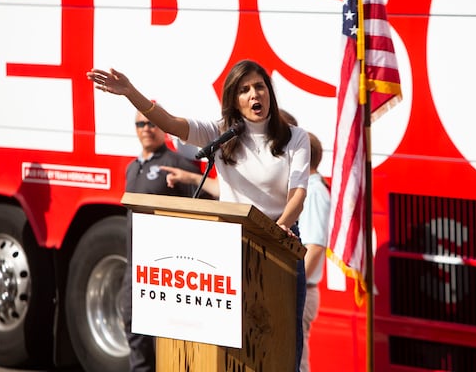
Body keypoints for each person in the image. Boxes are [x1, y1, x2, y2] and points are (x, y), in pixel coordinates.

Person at [88, 59, 310, 371]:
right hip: (230, 248)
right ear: (234, 99)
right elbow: (169, 123)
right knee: (232, 348)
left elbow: (298, 192)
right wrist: (130, 92)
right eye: (244, 90)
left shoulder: (295, 138)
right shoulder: (220, 134)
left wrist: (281, 226)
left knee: (281, 343)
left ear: (269, 92)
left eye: (259, 86)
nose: (254, 94)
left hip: (280, 248)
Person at [121, 110, 202, 372]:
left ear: (163, 129)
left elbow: (200, 213)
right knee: (134, 328)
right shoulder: (132, 168)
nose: (146, 128)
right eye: (140, 124)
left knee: (173, 344)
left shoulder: (178, 164)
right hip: (135, 267)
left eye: (151, 123)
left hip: (169, 270)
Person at [297, 132, 330, 372]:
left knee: (296, 362)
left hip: (302, 291)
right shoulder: (308, 189)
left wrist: (293, 287)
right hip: (301, 289)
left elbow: (315, 246)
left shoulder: (315, 192)